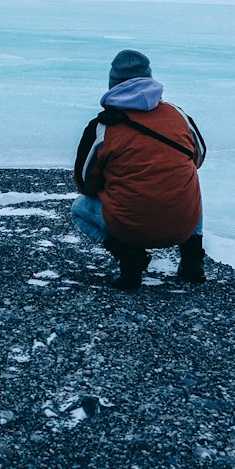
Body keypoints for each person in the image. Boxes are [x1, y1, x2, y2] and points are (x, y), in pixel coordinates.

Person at [71, 49, 207, 290]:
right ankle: (192, 261)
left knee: (79, 208)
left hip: (130, 228)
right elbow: (198, 157)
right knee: (186, 181)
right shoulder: (177, 115)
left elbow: (84, 184)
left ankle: (128, 256)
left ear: (113, 84)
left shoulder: (103, 127)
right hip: (183, 225)